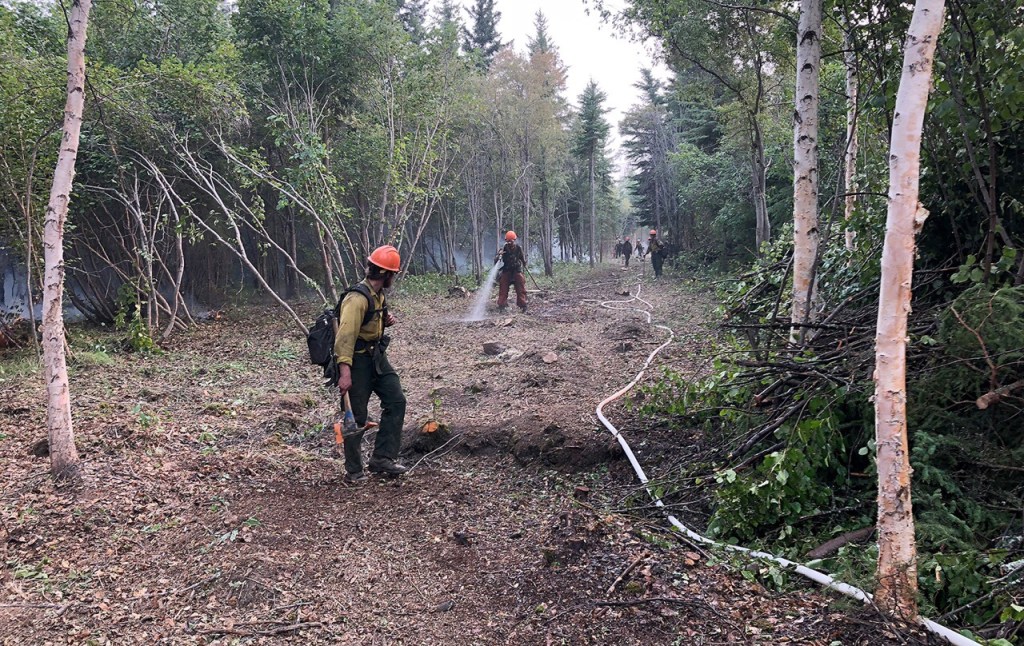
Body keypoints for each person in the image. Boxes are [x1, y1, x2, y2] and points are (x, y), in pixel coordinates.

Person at [335, 245, 408, 483]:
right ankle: (354, 471)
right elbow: (344, 338)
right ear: (386, 274)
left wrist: (383, 322)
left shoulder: (378, 295)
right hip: (356, 361)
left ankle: (382, 458)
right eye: (393, 274)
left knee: (396, 400)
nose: (393, 278)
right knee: (356, 416)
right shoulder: (356, 299)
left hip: (376, 356)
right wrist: (345, 373)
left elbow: (369, 324)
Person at [495, 231, 527, 313]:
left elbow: (522, 259)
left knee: (521, 287)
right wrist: (499, 255)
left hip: (516, 270)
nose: (509, 243)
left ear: (514, 240)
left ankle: (523, 305)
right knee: (503, 287)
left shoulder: (518, 248)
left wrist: (524, 263)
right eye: (508, 241)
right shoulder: (503, 249)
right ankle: (502, 305)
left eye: (511, 241)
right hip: (507, 270)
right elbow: (496, 261)